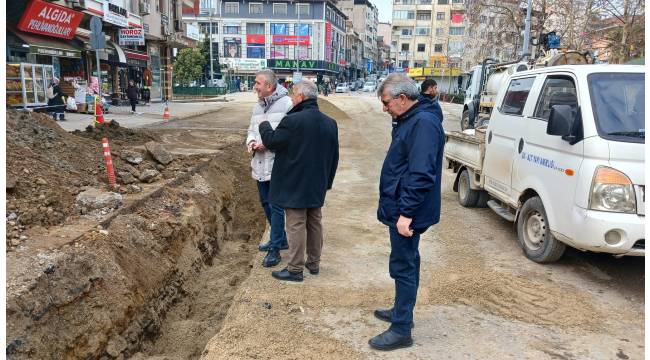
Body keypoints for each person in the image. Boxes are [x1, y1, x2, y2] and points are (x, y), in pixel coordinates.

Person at [369, 73, 444, 351]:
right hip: (402, 206)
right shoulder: (408, 119)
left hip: (407, 211)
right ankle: (403, 311)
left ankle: (401, 329)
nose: (384, 107)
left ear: (402, 98)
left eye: (386, 102)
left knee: (403, 264)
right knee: (407, 260)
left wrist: (406, 213)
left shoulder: (423, 123)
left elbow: (421, 174)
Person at [258, 80, 339, 282]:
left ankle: (295, 269)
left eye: (294, 95)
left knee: (295, 224)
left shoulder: (292, 121)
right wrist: (327, 182)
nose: (292, 99)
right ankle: (314, 263)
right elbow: (334, 156)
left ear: (301, 97)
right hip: (317, 183)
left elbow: (272, 142)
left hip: (294, 183)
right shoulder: (330, 122)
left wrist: (264, 124)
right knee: (314, 222)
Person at [247, 69, 293, 267]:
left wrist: (268, 143)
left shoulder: (287, 105)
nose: (255, 87)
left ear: (269, 86)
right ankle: (280, 239)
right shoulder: (258, 107)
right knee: (265, 203)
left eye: (257, 83)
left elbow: (291, 136)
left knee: (276, 207)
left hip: (277, 165)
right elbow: (251, 130)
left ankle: (275, 249)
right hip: (258, 163)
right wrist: (250, 143)